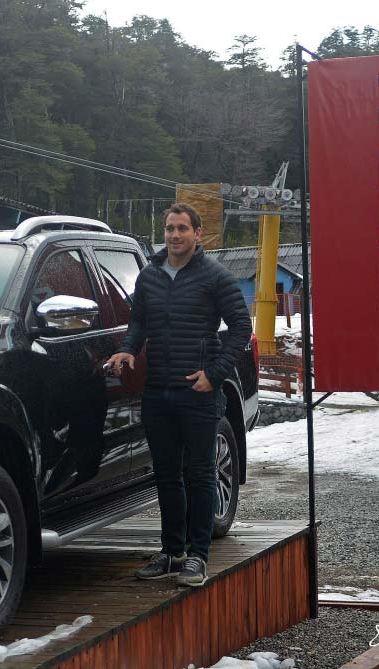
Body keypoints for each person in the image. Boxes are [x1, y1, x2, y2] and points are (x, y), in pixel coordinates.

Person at [107, 202, 252, 587]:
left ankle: (197, 557)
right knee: (167, 474)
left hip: (198, 392)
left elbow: (240, 327)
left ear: (197, 233)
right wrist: (127, 348)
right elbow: (139, 322)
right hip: (157, 391)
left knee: (201, 473)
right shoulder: (150, 276)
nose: (174, 235)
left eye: (182, 229)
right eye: (169, 228)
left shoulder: (215, 277)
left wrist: (215, 375)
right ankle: (172, 552)